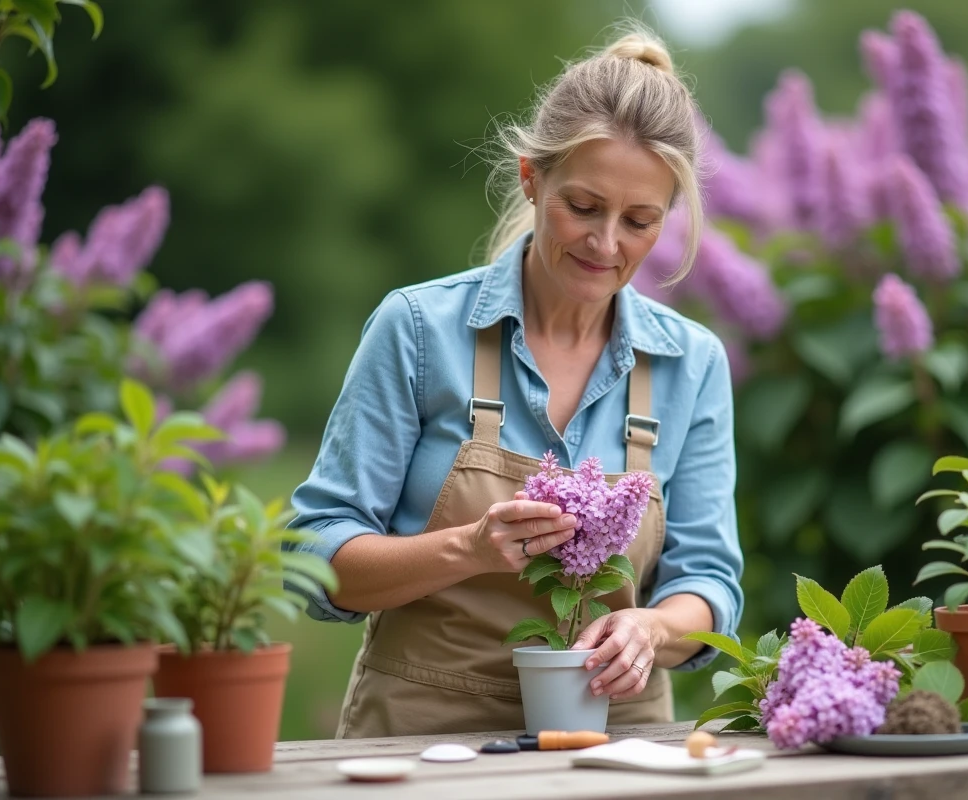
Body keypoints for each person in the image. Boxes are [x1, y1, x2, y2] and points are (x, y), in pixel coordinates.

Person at [287, 22, 744, 738]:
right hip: (423, 740)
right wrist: (466, 549)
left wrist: (652, 631)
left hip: (617, 744)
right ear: (533, 179)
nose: (606, 244)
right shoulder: (416, 329)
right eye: (584, 208)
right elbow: (313, 553)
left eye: (640, 221)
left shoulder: (692, 362)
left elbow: (710, 580)